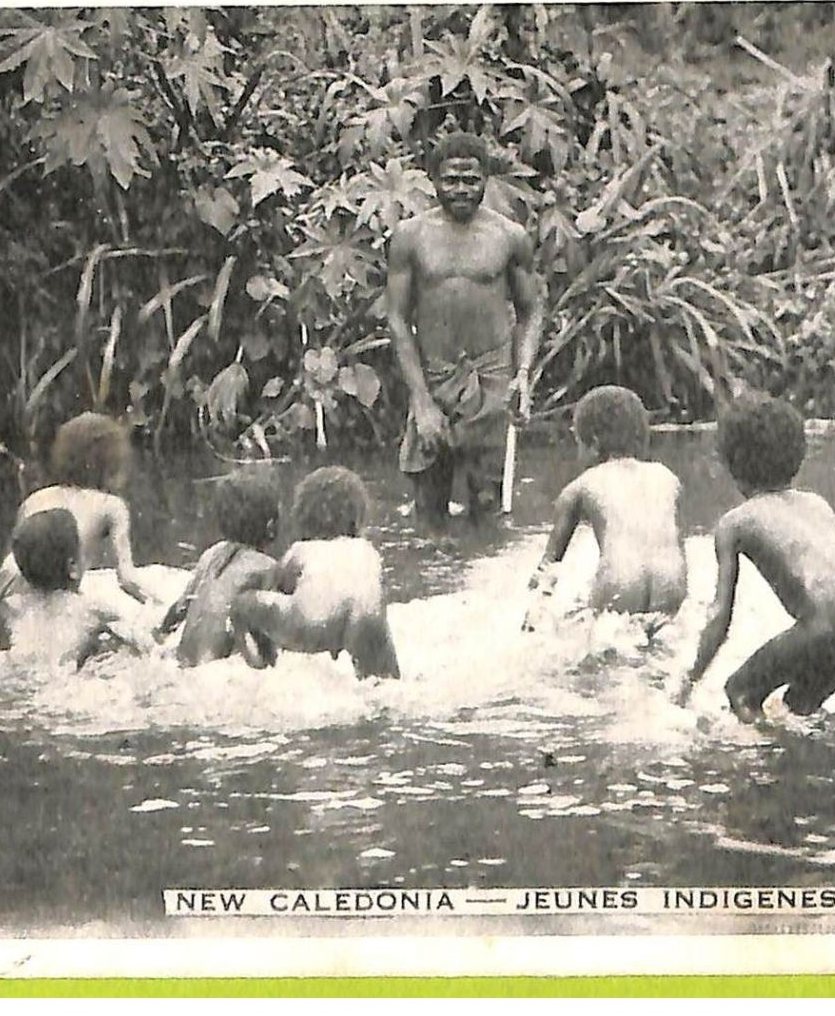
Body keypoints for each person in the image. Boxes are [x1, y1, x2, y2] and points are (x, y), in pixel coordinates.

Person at [676, 394, 835, 722]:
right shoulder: (817, 504)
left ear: (730, 463)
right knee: (797, 709)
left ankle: (765, 766)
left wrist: (688, 683)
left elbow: (720, 618)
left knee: (739, 692)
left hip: (825, 628)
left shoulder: (735, 523)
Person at [386, 131, 544, 526]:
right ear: (434, 179)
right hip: (434, 378)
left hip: (491, 381)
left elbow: (531, 309)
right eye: (450, 179)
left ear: (486, 180)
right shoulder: (410, 237)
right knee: (427, 509)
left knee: (489, 508)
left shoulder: (509, 236)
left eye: (470, 180)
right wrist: (420, 399)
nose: (460, 189)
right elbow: (397, 318)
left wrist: (522, 376)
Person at [0, 413, 151, 633]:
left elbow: (17, 550)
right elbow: (127, 579)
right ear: (111, 460)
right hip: (58, 591)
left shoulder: (36, 498)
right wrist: (158, 604)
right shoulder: (111, 506)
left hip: (7, 583)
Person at [528, 385, 687, 621]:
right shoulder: (668, 478)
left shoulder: (580, 487)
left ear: (593, 443)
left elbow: (548, 571)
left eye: (578, 444)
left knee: (592, 637)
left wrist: (530, 620)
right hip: (671, 583)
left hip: (618, 584)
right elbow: (678, 545)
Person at [231, 466, 400, 679]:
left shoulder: (301, 551)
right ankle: (389, 679)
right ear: (358, 517)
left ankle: (262, 666)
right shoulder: (368, 552)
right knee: (380, 672)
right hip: (365, 621)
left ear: (304, 515)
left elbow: (277, 585)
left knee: (242, 604)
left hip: (311, 623)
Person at [0, 508, 153, 670]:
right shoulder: (93, 611)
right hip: (68, 678)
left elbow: (5, 658)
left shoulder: (9, 609)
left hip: (25, 676)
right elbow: (145, 646)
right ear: (72, 567)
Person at [156, 469, 281, 667]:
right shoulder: (267, 568)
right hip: (216, 676)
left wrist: (159, 637)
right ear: (271, 525)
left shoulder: (211, 555)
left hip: (182, 663)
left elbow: (178, 610)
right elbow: (275, 637)